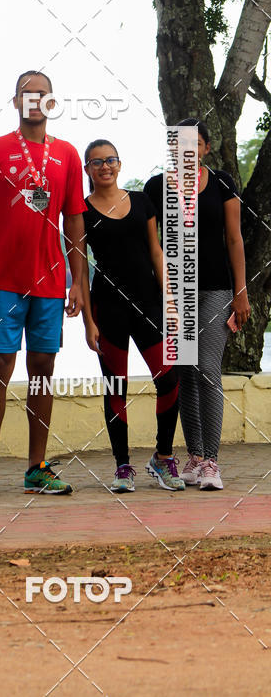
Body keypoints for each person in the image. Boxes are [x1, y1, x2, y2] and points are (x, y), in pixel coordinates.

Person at [0, 70, 85, 498]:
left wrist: (76, 281)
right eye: (26, 94)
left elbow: (74, 221)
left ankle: (37, 465)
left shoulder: (69, 155)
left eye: (42, 94)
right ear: (15, 101)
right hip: (1, 280)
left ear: (51, 102)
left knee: (43, 370)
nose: (34, 100)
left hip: (52, 281)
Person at [144, 119, 250, 490]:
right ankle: (195, 456)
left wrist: (241, 292)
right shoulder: (157, 187)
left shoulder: (221, 183)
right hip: (176, 293)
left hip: (217, 289)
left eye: (195, 143)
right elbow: (150, 243)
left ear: (205, 148)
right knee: (185, 372)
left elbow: (234, 240)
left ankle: (212, 463)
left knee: (206, 367)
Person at [80, 139, 184, 493]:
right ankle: (123, 466)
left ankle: (163, 456)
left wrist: (169, 299)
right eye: (96, 162)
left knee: (169, 379)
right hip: (107, 306)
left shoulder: (141, 201)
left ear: (119, 165)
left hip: (148, 303)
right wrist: (87, 322)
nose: (104, 166)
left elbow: (156, 252)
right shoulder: (81, 212)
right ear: (87, 170)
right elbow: (79, 269)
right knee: (115, 387)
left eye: (110, 160)